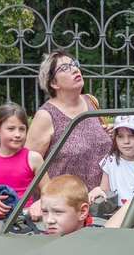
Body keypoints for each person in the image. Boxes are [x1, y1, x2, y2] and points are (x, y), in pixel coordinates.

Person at [25, 51, 112, 189]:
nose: (75, 69)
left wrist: (112, 133)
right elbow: (27, 166)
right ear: (53, 83)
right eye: (65, 68)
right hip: (65, 204)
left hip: (101, 201)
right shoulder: (46, 116)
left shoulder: (91, 101)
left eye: (74, 64)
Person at [0, 103, 46, 221]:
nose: (17, 134)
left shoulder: (33, 158)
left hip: (27, 221)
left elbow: (50, 192)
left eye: (22, 129)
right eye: (11, 129)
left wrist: (39, 204)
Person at [90, 115, 134, 207]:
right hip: (116, 212)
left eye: (132, 136)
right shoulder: (110, 160)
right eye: (120, 136)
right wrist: (98, 190)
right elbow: (105, 190)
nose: (126, 141)